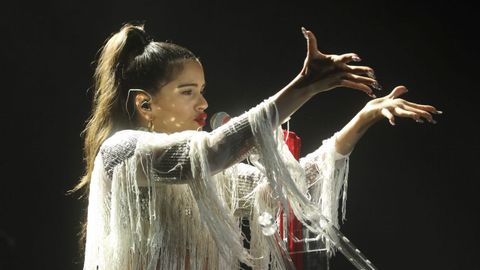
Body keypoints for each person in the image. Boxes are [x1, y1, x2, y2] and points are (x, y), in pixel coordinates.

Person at [73, 23, 440, 270]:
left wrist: (362, 119)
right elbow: (215, 151)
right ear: (145, 104)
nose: (203, 104)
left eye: (202, 91)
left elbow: (291, 185)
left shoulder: (213, 177)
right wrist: (304, 86)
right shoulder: (121, 151)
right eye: (188, 93)